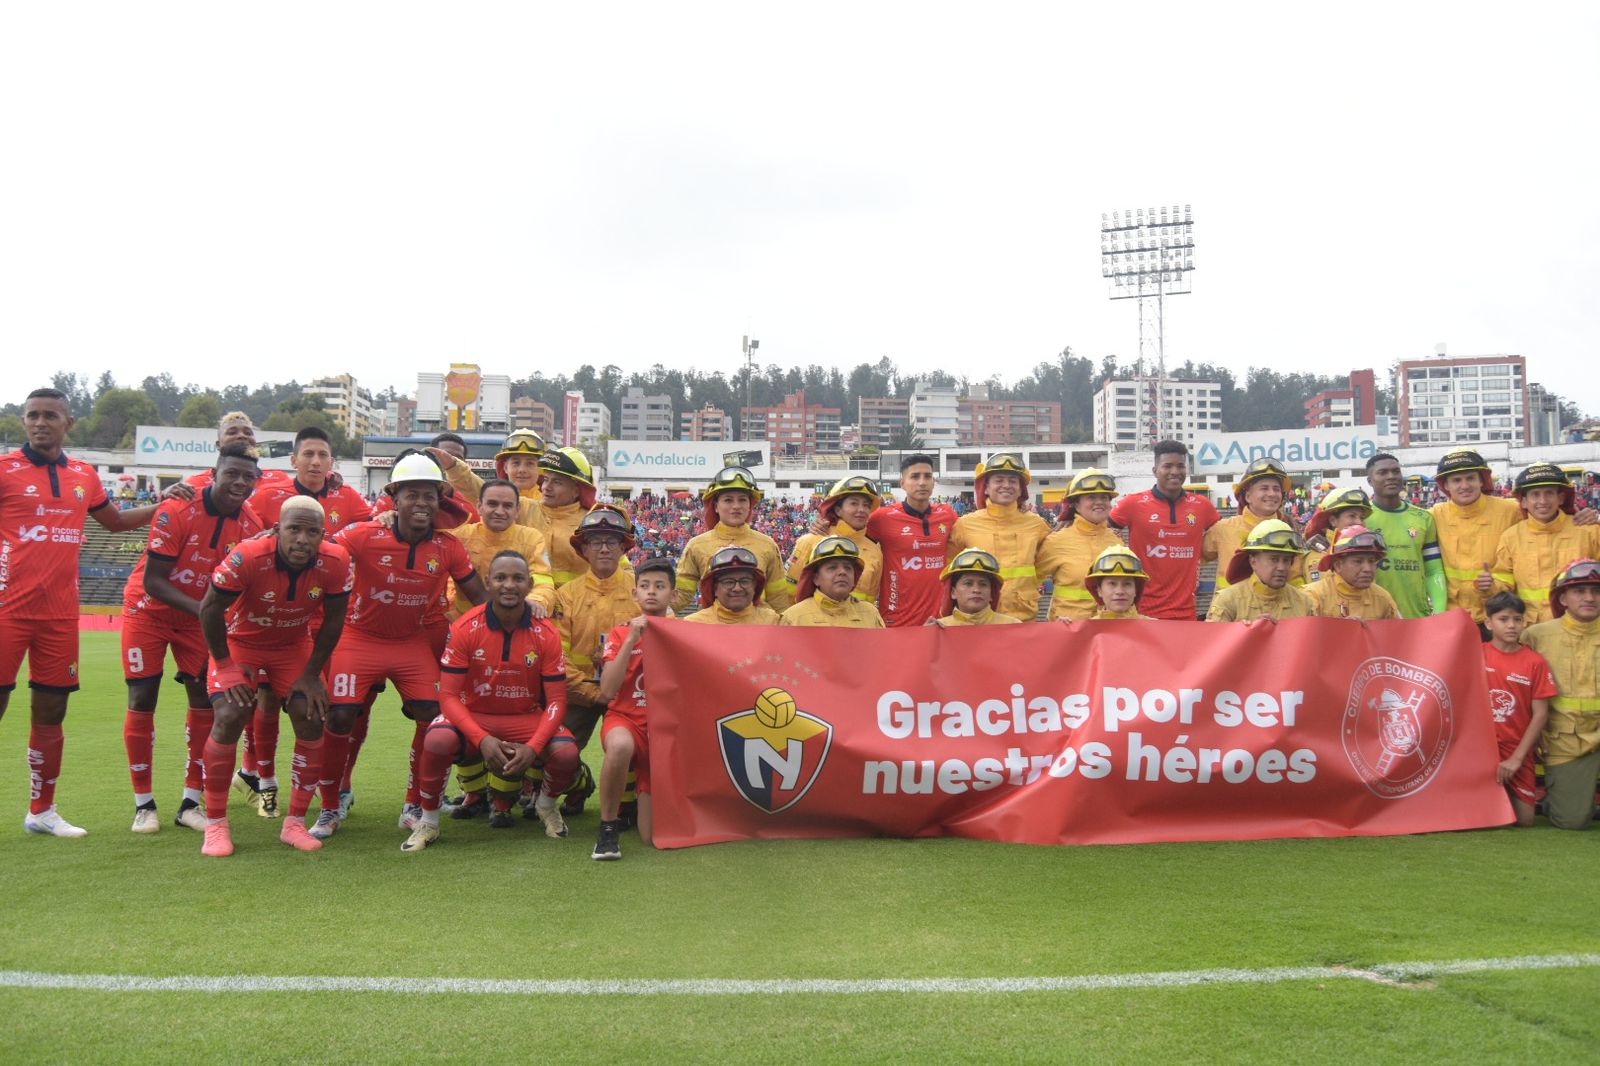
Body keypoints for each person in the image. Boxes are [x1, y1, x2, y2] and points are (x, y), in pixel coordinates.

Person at [1, 387, 168, 837]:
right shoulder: (4, 470)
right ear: (24, 421)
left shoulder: (84, 474)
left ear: (68, 423)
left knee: (51, 712)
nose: (40, 422)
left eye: (50, 415)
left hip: (59, 616)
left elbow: (115, 522)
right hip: (6, 612)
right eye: (33, 415)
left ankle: (42, 811)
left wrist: (166, 504)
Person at [318, 453, 486, 839]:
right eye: (412, 495)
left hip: (411, 643)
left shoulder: (448, 547)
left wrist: (515, 626)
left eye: (429, 495)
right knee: (340, 716)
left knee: (434, 717)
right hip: (359, 638)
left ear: (439, 500)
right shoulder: (364, 534)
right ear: (395, 498)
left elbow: (480, 598)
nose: (421, 503)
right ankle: (330, 806)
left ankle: (415, 804)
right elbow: (320, 550)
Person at [195, 497, 353, 856]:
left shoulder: (337, 561)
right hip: (241, 643)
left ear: (323, 535)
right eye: (294, 529)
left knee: (311, 715)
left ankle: (294, 823)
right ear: (278, 529)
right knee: (230, 714)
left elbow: (334, 621)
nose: (302, 539)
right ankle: (216, 825)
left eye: (311, 532)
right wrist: (225, 665)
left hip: (292, 646)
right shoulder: (248, 556)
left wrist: (311, 674)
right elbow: (209, 608)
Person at [121, 444, 263, 832]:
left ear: (255, 482)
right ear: (214, 474)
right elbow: (154, 581)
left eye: (248, 476)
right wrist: (208, 611)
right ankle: (144, 804)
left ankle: (190, 803)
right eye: (231, 473)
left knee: (204, 701)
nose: (239, 482)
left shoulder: (251, 526)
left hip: (199, 622)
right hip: (147, 611)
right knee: (142, 698)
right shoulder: (178, 508)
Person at [232, 425, 372, 811]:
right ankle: (264, 779)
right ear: (293, 460)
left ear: (332, 462)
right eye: (308, 454)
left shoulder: (348, 496)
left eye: (322, 455)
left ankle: (336, 785)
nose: (315, 461)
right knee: (266, 699)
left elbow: (375, 528)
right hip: (277, 615)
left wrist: (389, 516)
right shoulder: (269, 495)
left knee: (323, 705)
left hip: (327, 618)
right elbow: (245, 537)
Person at [403, 551, 577, 851]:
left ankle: (546, 805)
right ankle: (428, 821)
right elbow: (448, 696)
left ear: (529, 584)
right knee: (437, 739)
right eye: (501, 578)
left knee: (567, 754)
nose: (509, 585)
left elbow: (557, 701)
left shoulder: (546, 632)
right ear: (488, 582)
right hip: (476, 715)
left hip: (525, 717)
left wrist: (534, 747)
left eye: (517, 578)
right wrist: (481, 739)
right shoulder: (465, 627)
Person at [549, 504, 640, 818]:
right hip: (580, 692)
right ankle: (579, 784)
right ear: (583, 549)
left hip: (630, 693)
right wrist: (593, 694)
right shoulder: (565, 596)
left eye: (611, 541)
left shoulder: (641, 592)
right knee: (554, 751)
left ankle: (628, 804)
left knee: (639, 747)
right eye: (595, 541)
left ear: (623, 547)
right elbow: (557, 658)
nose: (604, 548)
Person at [592, 556, 676, 860]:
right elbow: (607, 690)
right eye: (645, 585)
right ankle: (608, 828)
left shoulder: (683, 633)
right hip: (626, 720)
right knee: (619, 746)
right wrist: (631, 640)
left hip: (664, 728)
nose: (651, 591)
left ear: (673, 595)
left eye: (660, 586)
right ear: (634, 593)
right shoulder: (619, 633)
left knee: (650, 837)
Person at [1520, 559, 1600, 829]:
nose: (1589, 598)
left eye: (1596, 591)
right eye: (1579, 591)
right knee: (1571, 820)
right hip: (1566, 741)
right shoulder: (1536, 636)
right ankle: (1562, 800)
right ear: (1563, 598)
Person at [1110, 440, 1221, 620]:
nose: (1175, 471)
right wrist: (1070, 514)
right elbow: (1100, 527)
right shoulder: (1133, 503)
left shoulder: (1202, 506)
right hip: (1143, 613)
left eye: (1180, 466)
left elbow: (1227, 533)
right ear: (1155, 470)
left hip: (1186, 613)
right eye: (1167, 466)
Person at [1480, 591, 1555, 827]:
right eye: (1503, 619)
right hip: (1482, 749)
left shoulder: (1535, 662)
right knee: (1488, 818)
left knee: (1526, 821)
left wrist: (1516, 759)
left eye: (1517, 619)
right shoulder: (1477, 654)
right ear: (1488, 623)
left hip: (1517, 751)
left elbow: (1541, 714)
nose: (1512, 625)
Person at [1493, 461, 1600, 625]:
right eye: (1535, 494)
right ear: (1523, 501)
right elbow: (1504, 581)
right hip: (1530, 629)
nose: (1543, 501)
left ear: (1561, 498)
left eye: (1549, 493)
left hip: (1579, 626)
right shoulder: (1510, 537)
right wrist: (1488, 587)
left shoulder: (1589, 531)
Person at [674, 467, 791, 615]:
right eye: (728, 500)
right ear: (716, 506)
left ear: (750, 505)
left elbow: (779, 600)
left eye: (742, 500)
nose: (736, 506)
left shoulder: (767, 545)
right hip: (713, 626)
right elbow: (680, 597)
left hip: (758, 626)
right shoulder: (696, 545)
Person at [949, 452, 1051, 621]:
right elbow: (950, 571)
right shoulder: (965, 525)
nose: (1006, 485)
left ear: (1021, 489)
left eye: (1013, 481)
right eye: (999, 480)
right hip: (979, 619)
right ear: (986, 488)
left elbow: (1048, 563)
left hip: (1024, 617)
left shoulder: (1037, 525)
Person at [1430, 450, 1524, 629]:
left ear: (1481, 480)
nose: (1464, 485)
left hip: (1498, 616)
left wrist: (1579, 516)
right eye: (1456, 480)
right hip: (1453, 618)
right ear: (1446, 485)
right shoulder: (1434, 516)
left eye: (1470, 478)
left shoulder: (1511, 511)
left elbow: (1547, 515)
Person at [441, 478, 555, 620]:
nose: (500, 511)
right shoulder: (459, 537)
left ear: (517, 510)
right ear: (479, 507)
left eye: (507, 506)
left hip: (514, 621)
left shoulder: (532, 538)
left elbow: (542, 579)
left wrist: (537, 599)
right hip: (464, 621)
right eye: (492, 504)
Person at [866, 454, 958, 627]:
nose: (922, 482)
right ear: (902, 483)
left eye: (927, 476)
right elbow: (853, 535)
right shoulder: (882, 518)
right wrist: (825, 523)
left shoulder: (947, 515)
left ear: (933, 482)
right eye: (915, 477)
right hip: (898, 621)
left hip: (939, 621)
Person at [1363, 453, 1446, 618]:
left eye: (1396, 471)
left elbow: (1433, 570)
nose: (1391, 476)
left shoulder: (1424, 518)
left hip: (1416, 616)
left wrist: (1440, 612)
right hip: (1374, 617)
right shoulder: (1361, 518)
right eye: (1383, 472)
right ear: (1370, 481)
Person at [1036, 469, 1122, 621]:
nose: (1099, 502)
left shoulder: (1117, 542)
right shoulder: (1056, 541)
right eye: (1091, 497)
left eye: (1104, 497)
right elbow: (1030, 582)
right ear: (1076, 505)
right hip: (1068, 628)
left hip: (1107, 627)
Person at [1205, 458, 1305, 590]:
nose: (1272, 494)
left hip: (1278, 603)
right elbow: (1192, 558)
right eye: (1264, 488)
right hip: (1231, 603)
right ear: (1248, 496)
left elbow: (1297, 580)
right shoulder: (1222, 529)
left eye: (1276, 489)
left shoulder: (1290, 532)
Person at [791, 476, 885, 604]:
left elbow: (870, 599)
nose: (861, 510)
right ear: (838, 510)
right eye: (854, 503)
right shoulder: (809, 542)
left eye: (866, 505)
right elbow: (788, 595)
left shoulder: (875, 551)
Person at [1205, 520, 1316, 622]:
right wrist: (1245, 631)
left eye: (1286, 560)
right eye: (1274, 559)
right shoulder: (1227, 600)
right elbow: (1213, 637)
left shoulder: (1304, 603)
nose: (1281, 567)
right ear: (1253, 561)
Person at [781, 537, 886, 628]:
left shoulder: (871, 614)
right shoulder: (793, 618)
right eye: (832, 567)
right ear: (816, 578)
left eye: (848, 568)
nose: (842, 572)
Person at [1305, 526, 1401, 620]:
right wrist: (1338, 627)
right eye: (1358, 561)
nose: (1367, 569)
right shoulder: (1313, 596)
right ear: (1338, 565)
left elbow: (1399, 629)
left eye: (1371, 561)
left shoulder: (1382, 598)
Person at [682, 546, 782, 624]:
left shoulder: (773, 622)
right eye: (728, 582)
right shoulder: (694, 624)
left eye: (745, 581)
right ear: (715, 588)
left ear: (755, 586)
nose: (737, 588)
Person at [930, 549, 1019, 626]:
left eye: (983, 584)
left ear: (991, 593)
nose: (976, 590)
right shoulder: (939, 628)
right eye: (968, 583)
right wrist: (927, 635)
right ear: (953, 592)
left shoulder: (1012, 626)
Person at [1302, 486, 1373, 578]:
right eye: (1352, 516)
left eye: (1362, 518)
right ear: (1333, 521)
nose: (1359, 522)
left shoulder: (1368, 551)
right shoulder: (1318, 555)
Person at [1083, 545, 1150, 620]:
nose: (1120, 591)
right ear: (1099, 590)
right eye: (1112, 583)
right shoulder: (1088, 627)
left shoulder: (1155, 626)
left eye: (1127, 584)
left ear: (1135, 590)